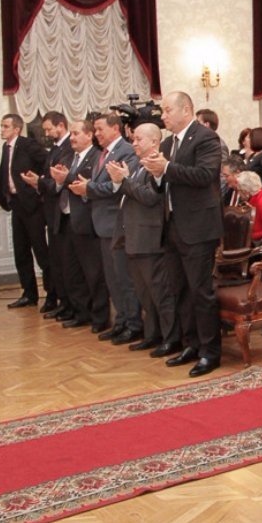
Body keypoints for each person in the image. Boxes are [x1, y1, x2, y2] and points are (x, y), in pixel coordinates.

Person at [141, 91, 223, 378]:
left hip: (199, 227)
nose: (162, 117)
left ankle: (210, 352)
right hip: (173, 224)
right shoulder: (167, 142)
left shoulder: (205, 138)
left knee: (201, 291)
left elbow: (205, 175)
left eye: (166, 111)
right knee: (180, 290)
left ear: (185, 110)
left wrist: (167, 168)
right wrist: (157, 174)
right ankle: (191, 344)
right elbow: (162, 186)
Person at [107, 123, 180, 357]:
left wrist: (125, 181)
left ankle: (171, 339)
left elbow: (150, 197)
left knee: (160, 294)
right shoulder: (138, 165)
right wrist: (121, 181)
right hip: (133, 238)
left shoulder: (158, 165)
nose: (134, 143)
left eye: (139, 139)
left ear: (154, 142)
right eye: (134, 139)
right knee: (145, 294)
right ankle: (152, 335)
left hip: (151, 239)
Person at [82, 113, 142, 345]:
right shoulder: (103, 153)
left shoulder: (125, 151)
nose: (96, 134)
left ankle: (134, 324)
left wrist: (89, 188)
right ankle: (121, 321)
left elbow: (117, 186)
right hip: (102, 224)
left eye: (99, 129)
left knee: (123, 278)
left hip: (116, 223)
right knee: (112, 279)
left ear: (115, 128)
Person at [49, 120, 109, 332]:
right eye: (71, 134)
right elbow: (58, 184)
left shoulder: (97, 156)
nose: (72, 138)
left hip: (86, 222)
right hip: (65, 221)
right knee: (71, 272)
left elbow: (89, 184)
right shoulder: (68, 157)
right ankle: (80, 312)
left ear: (88, 135)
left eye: (76, 134)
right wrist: (57, 180)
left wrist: (66, 178)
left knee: (93, 273)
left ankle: (100, 317)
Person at [23, 111, 74, 320]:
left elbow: (57, 182)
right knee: (57, 261)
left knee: (66, 263)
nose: (46, 133)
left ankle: (71, 304)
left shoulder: (68, 148)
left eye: (48, 129)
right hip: (52, 213)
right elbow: (49, 177)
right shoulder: (55, 149)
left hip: (62, 213)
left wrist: (39, 182)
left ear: (60, 125)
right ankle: (63, 302)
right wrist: (40, 180)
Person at [0, 113, 50, 308]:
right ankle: (29, 294)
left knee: (40, 251)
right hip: (16, 204)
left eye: (5, 126)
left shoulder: (28, 145)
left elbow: (47, 161)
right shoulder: (6, 147)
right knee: (21, 251)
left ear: (16, 129)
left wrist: (38, 184)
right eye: (2, 126)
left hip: (33, 205)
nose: (2, 129)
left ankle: (52, 295)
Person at [235, 171, 262, 242]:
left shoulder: (261, 203)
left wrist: (250, 236)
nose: (239, 194)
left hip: (260, 243)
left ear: (246, 191)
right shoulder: (256, 197)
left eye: (239, 191)